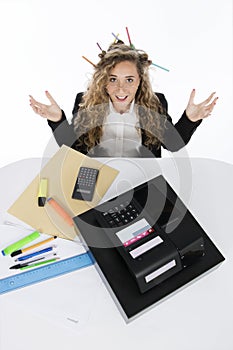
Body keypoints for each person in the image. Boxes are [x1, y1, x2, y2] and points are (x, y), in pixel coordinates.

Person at [29, 41, 218, 158]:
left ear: (140, 81)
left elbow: (173, 144)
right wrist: (57, 119)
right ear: (102, 81)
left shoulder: (155, 103)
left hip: (143, 181)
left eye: (129, 80)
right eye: (113, 79)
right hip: (96, 179)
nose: (121, 88)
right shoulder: (85, 101)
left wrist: (190, 118)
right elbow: (71, 144)